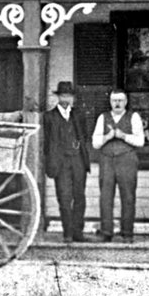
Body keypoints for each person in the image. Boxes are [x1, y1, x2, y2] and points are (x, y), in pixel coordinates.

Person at [91, 88, 145, 243]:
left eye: (120, 100)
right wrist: (108, 136)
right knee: (105, 197)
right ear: (110, 102)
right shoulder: (103, 117)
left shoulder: (133, 117)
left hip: (127, 160)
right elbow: (95, 143)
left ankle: (127, 233)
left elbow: (140, 141)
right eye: (114, 100)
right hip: (107, 160)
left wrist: (123, 136)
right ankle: (107, 232)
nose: (117, 103)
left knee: (128, 196)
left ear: (126, 102)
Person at [42, 81, 92, 243]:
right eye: (63, 95)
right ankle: (67, 233)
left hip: (77, 160)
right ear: (58, 97)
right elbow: (46, 142)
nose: (66, 99)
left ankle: (78, 232)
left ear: (72, 97)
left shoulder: (79, 114)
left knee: (79, 197)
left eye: (69, 96)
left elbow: (84, 136)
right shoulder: (49, 117)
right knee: (64, 197)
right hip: (60, 162)